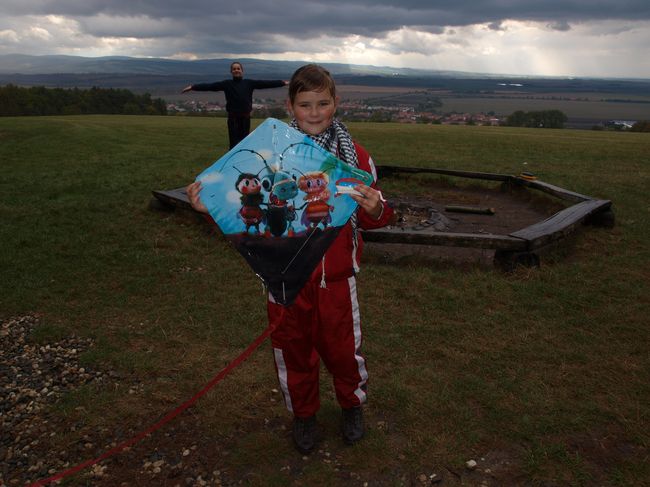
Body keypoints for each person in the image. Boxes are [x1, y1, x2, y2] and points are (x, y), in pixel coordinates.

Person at [186, 64, 393, 454]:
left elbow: (378, 216)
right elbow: (246, 210)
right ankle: (303, 415)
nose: (314, 112)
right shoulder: (270, 154)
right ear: (290, 106)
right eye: (305, 104)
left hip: (336, 278)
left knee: (343, 351)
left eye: (323, 103)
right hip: (283, 279)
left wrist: (375, 207)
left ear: (336, 104)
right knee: (293, 349)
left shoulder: (357, 158)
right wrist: (208, 206)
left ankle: (352, 405)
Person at [182, 61, 288, 149]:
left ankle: (244, 162)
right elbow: (210, 86)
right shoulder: (227, 84)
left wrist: (282, 83)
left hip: (245, 118)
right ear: (231, 72)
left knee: (245, 142)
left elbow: (266, 84)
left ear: (242, 71)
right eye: (234, 69)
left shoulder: (249, 83)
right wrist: (193, 87)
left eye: (238, 68)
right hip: (233, 119)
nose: (236, 70)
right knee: (233, 144)